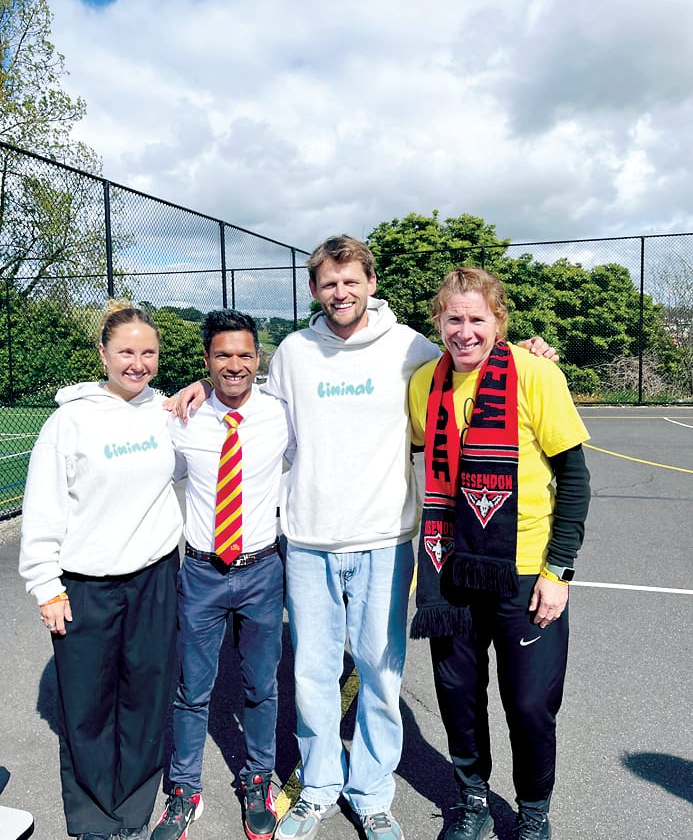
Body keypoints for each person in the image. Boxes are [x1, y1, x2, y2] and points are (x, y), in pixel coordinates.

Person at [177, 237, 555, 840]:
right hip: (306, 541)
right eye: (329, 284)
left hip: (384, 538)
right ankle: (319, 786)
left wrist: (532, 352)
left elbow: (474, 359)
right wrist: (199, 393)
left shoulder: (409, 346)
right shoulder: (296, 353)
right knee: (313, 674)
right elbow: (251, 401)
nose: (341, 293)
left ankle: (372, 792)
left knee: (380, 674)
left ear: (371, 282)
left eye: (351, 281)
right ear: (313, 291)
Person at [408, 268, 591, 840]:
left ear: (498, 323)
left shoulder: (536, 375)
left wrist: (558, 572)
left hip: (525, 573)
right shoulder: (422, 384)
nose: (465, 331)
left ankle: (533, 811)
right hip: (451, 567)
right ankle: (472, 802)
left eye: (476, 319)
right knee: (460, 698)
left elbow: (576, 481)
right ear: (438, 321)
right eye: (453, 318)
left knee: (530, 705)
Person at [19, 301, 184, 840]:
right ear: (104, 354)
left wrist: (200, 390)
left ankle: (132, 812)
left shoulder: (165, 412)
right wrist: (47, 586)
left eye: (148, 352)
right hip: (85, 584)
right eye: (126, 352)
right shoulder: (70, 421)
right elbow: (44, 508)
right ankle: (93, 818)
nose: (137, 363)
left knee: (144, 697)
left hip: (155, 578)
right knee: (88, 705)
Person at [151, 310, 294, 840]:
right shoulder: (182, 419)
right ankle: (184, 790)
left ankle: (257, 777)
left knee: (261, 685)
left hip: (262, 569)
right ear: (206, 361)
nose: (234, 365)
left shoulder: (281, 415)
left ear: (258, 359)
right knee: (192, 688)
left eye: (244, 355)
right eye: (222, 355)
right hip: (203, 572)